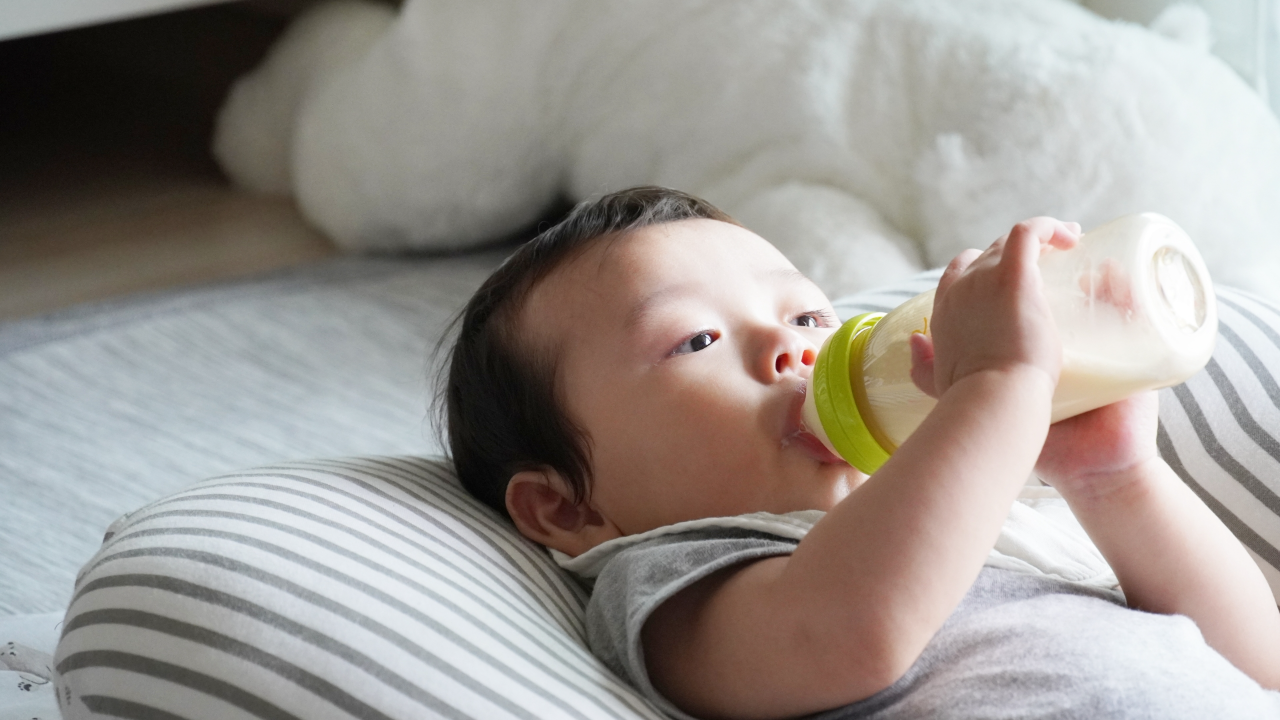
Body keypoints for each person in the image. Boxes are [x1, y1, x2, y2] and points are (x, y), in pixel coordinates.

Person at [441, 186, 1280, 719]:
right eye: (695, 339)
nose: (792, 347)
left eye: (809, 317)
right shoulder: (679, 580)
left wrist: (1116, 477)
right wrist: (998, 382)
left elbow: (1258, 664)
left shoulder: (1009, 520)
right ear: (568, 508)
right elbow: (850, 632)